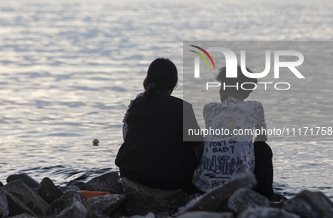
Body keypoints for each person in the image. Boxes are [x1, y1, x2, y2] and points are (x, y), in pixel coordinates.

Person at [115, 58, 203, 193]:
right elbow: (198, 144)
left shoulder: (136, 104)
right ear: (174, 83)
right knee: (194, 142)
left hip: (130, 174)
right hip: (167, 181)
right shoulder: (182, 107)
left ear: (147, 79)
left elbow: (127, 136)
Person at [192, 66, 274, 199]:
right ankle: (266, 196)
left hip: (204, 185)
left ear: (225, 87)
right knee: (264, 149)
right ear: (247, 92)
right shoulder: (255, 107)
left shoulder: (209, 109)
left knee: (203, 142)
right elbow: (262, 137)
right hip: (240, 184)